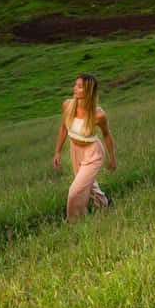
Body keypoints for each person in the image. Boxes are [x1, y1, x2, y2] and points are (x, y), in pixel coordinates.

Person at [52, 73, 115, 221]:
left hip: (93, 154)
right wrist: (57, 152)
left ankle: (75, 222)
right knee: (88, 184)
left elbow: (106, 135)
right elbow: (63, 129)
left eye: (79, 86)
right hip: (76, 150)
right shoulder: (67, 105)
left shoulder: (98, 115)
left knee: (75, 191)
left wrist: (113, 158)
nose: (75, 88)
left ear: (88, 90)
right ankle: (105, 204)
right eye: (75, 85)